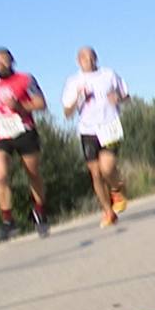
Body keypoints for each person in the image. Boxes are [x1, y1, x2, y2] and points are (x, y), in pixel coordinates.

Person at [0, 48, 51, 240]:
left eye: (3, 59)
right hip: (1, 135)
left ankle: (40, 211)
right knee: (0, 175)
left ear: (11, 61)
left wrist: (20, 106)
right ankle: (8, 221)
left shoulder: (26, 79)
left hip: (24, 131)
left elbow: (41, 104)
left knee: (32, 174)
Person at [61, 46, 130, 227]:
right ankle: (108, 212)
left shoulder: (108, 74)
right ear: (78, 61)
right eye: (84, 58)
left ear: (96, 58)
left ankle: (116, 189)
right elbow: (67, 113)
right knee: (95, 173)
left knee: (107, 167)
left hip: (109, 126)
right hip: (87, 130)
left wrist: (119, 98)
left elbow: (126, 96)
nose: (89, 61)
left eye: (92, 57)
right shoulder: (73, 81)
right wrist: (78, 98)